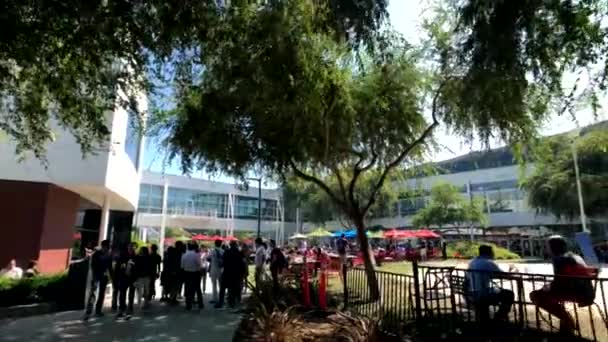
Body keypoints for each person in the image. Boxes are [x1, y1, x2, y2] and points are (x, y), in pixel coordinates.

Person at [530, 235, 595, 334]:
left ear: (553, 247)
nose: (545, 248)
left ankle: (568, 321)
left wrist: (547, 287)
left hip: (575, 292)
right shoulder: (575, 256)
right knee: (548, 295)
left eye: (547, 246)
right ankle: (566, 323)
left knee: (536, 296)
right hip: (587, 292)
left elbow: (560, 282)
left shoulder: (559, 259)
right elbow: (566, 277)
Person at [466, 245, 514, 322]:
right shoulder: (488, 263)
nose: (493, 254)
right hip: (482, 294)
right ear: (489, 253)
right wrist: (512, 271)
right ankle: (499, 317)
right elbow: (504, 275)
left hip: (472, 292)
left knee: (498, 291)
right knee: (509, 294)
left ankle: (487, 322)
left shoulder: (473, 261)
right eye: (492, 252)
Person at [84, 240, 112, 321]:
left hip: (104, 277)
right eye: (107, 246)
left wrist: (112, 277)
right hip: (96, 276)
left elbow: (110, 268)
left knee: (102, 294)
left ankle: (98, 310)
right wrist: (98, 274)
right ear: (104, 246)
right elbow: (93, 266)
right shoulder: (96, 254)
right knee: (93, 293)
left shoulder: (108, 255)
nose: (108, 248)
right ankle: (88, 312)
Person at [217, 241, 246, 309]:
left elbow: (223, 262)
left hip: (227, 272)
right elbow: (243, 263)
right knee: (233, 288)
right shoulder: (240, 253)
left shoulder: (226, 252)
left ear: (230, 245)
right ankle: (232, 302)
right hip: (236, 273)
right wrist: (243, 272)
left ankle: (221, 302)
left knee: (223, 288)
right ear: (236, 245)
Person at [116, 243, 138, 319]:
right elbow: (118, 266)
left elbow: (138, 268)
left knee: (131, 295)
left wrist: (136, 279)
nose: (131, 248)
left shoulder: (136, 257)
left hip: (132, 278)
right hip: (123, 277)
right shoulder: (122, 255)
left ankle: (129, 310)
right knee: (122, 294)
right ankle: (121, 310)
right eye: (130, 247)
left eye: (133, 247)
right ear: (127, 247)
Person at [182, 242, 204, 311]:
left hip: (186, 273)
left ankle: (188, 305)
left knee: (188, 289)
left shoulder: (184, 255)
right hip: (195, 273)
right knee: (197, 289)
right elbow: (200, 265)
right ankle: (200, 304)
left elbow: (182, 266)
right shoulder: (196, 255)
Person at [209, 239, 224, 304]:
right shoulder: (223, 251)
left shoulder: (212, 251)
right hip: (221, 269)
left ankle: (214, 299)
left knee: (214, 285)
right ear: (221, 244)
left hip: (213, 269)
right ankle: (221, 298)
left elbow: (208, 258)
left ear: (215, 244)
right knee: (221, 285)